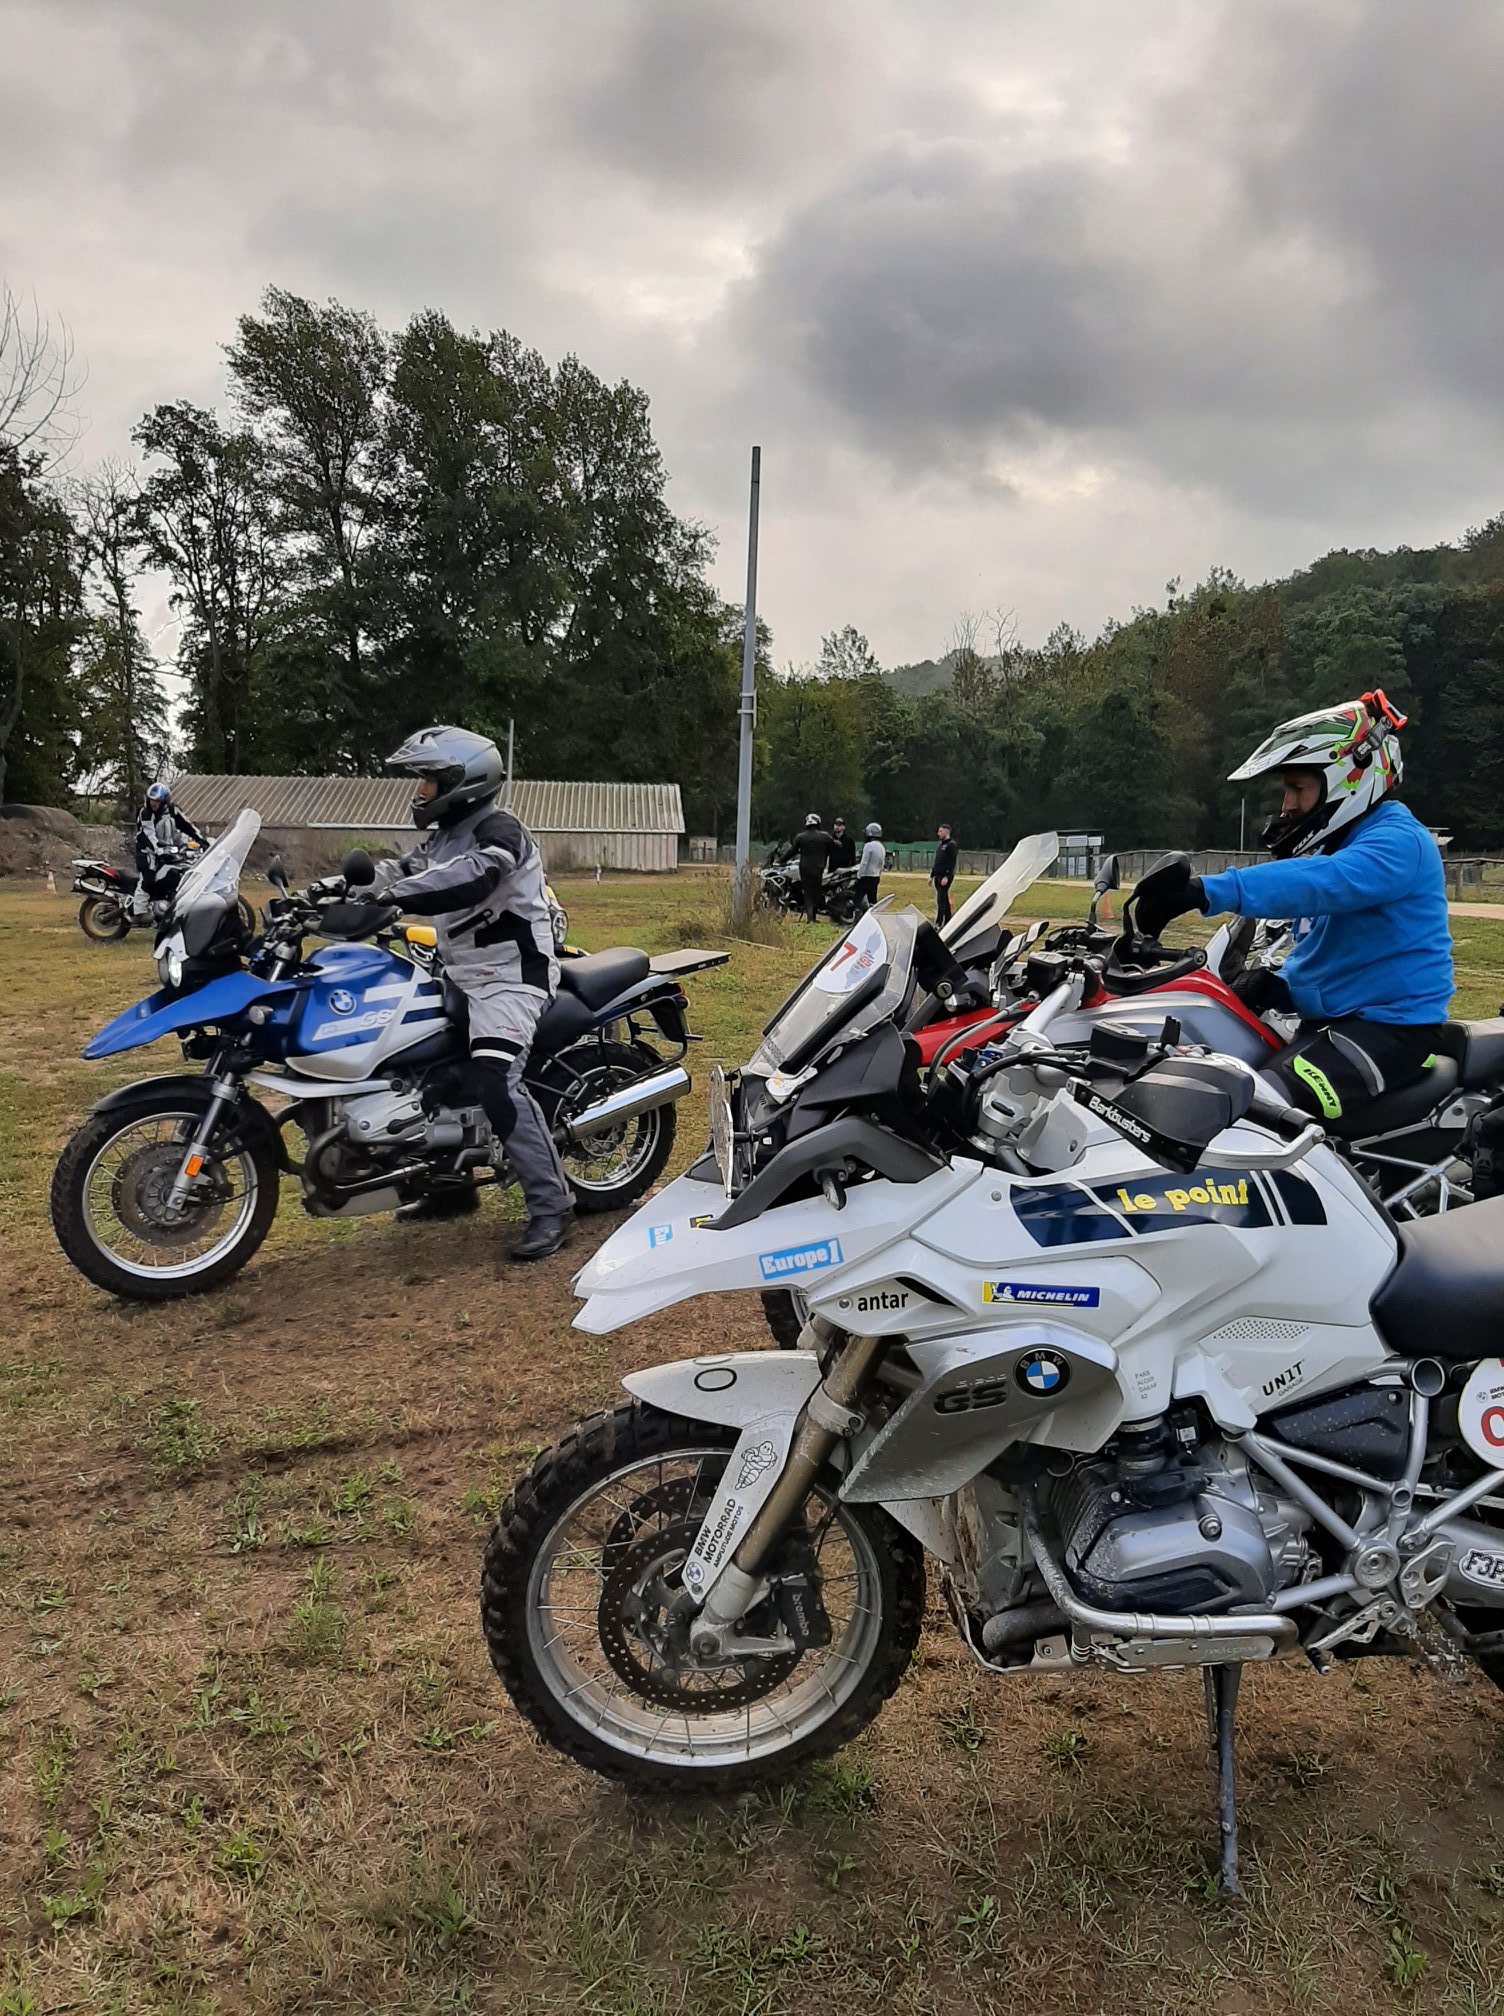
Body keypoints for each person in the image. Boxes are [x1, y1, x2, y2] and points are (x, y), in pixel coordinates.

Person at [1131, 690, 1454, 1127]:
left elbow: (1320, 885)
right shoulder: (1341, 847)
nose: (1287, 805)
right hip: (1334, 1023)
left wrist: (1204, 891)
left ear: (1350, 779)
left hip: (1391, 1032)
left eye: (1297, 788)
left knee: (1253, 1108)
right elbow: (1337, 950)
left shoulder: (1399, 843)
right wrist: (1281, 987)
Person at [366, 725, 575, 1262]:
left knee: (493, 1077)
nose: (419, 793)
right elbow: (407, 869)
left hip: (511, 977)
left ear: (462, 781)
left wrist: (392, 895)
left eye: (428, 782)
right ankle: (449, 1187)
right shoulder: (441, 838)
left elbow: (473, 876)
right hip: (458, 972)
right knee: (423, 1071)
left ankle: (552, 1206)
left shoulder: (501, 831)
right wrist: (340, 888)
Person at [134, 782, 205, 898]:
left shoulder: (173, 810)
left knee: (178, 874)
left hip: (167, 852)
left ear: (164, 801)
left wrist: (202, 841)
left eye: (157, 801)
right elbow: (149, 835)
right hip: (147, 853)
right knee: (147, 880)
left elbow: (188, 827)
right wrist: (159, 851)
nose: (153, 803)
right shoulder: (145, 813)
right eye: (151, 800)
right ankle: (138, 911)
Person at [792, 813, 836, 924]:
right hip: (819, 868)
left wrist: (780, 861)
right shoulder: (825, 836)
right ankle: (815, 916)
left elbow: (791, 851)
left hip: (804, 868)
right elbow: (835, 847)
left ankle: (810, 918)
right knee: (817, 891)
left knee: (807, 893)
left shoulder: (800, 837)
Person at [931, 822, 958, 927]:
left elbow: (952, 862)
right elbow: (937, 861)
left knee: (941, 899)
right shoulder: (940, 845)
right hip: (937, 875)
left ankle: (939, 922)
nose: (938, 833)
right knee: (944, 898)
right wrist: (932, 875)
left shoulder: (951, 845)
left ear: (946, 832)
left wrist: (947, 876)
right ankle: (948, 919)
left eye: (940, 831)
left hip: (945, 876)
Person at [856, 823, 885, 914]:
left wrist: (859, 875)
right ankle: (874, 915)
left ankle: (857, 916)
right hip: (876, 876)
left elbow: (864, 862)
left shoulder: (868, 846)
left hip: (866, 876)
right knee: (872, 899)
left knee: (857, 898)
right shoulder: (881, 846)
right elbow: (882, 863)